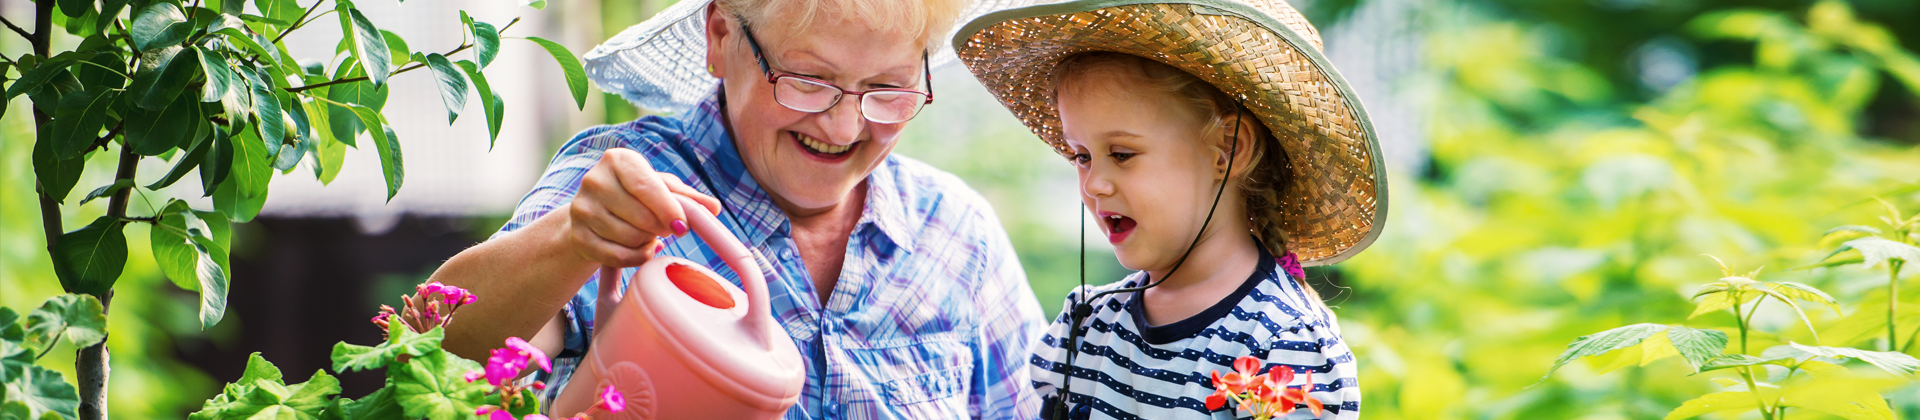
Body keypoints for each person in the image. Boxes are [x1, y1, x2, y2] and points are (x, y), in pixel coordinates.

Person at [426, 0, 1047, 417]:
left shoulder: (956, 234)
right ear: (721, 36)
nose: (843, 123)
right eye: (808, 79)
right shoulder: (627, 181)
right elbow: (435, 346)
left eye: (886, 88)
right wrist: (570, 239)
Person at [954, 0, 1388, 418]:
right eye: (1082, 156)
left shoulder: (1285, 349)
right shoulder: (1088, 323)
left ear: (1227, 153)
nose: (1094, 183)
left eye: (1122, 154)